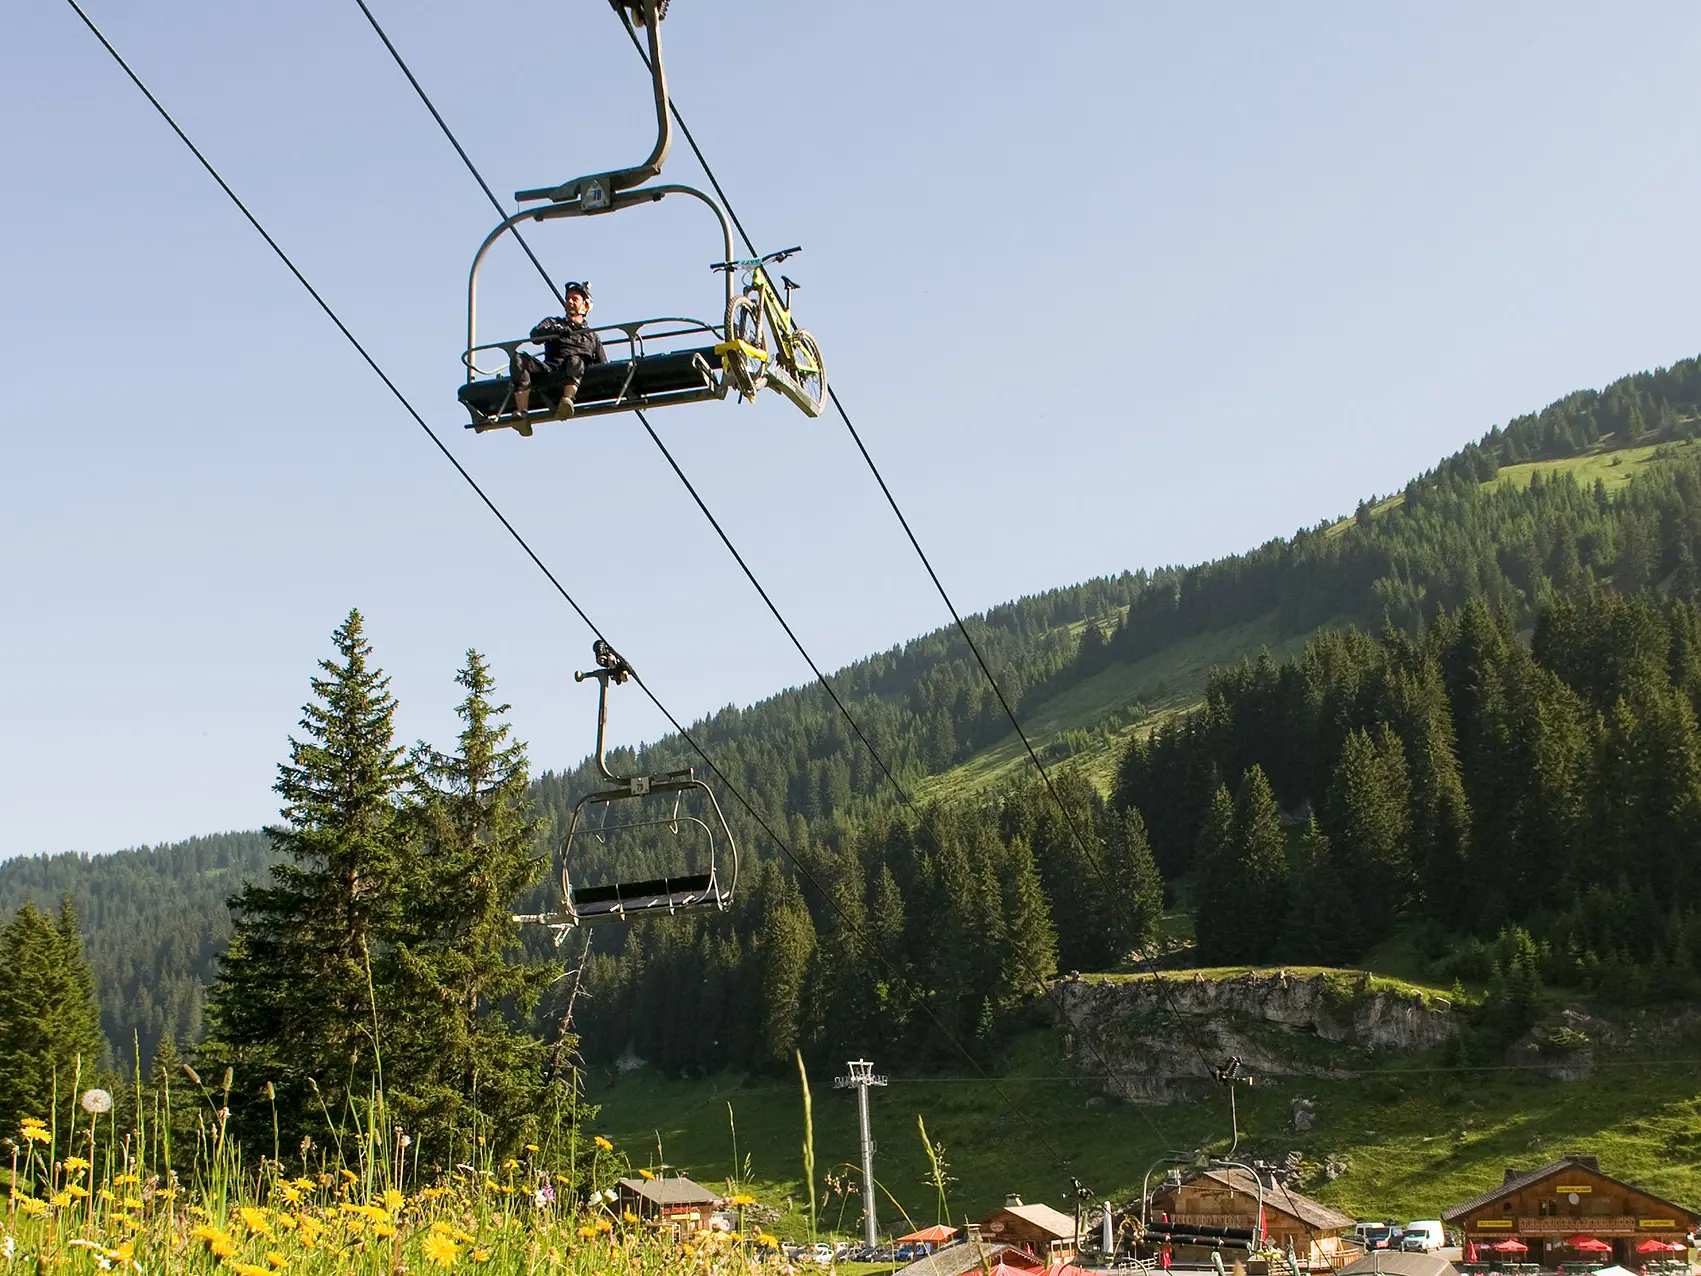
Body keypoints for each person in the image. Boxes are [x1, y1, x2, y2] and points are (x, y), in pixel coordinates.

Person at [510, 280, 608, 420]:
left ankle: (567, 401)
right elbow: (535, 336)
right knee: (518, 359)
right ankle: (523, 413)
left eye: (575, 299)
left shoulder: (592, 337)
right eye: (568, 298)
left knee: (575, 360)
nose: (570, 301)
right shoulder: (554, 323)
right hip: (551, 368)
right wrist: (555, 330)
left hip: (575, 371)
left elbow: (603, 366)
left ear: (585, 306)